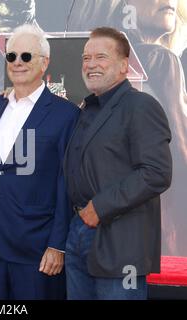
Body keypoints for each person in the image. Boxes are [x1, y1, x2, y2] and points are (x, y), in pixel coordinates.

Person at [64, 0, 187, 257]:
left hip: (90, 230)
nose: (169, 1)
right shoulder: (160, 60)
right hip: (149, 232)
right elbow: (179, 158)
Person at [64, 27, 172, 300]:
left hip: (120, 243)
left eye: (100, 57)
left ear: (125, 65)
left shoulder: (141, 106)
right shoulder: (86, 110)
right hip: (78, 235)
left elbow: (156, 173)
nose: (90, 64)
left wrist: (99, 208)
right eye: (86, 58)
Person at [0, 24, 79, 300]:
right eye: (11, 56)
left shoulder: (65, 114)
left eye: (26, 56)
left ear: (44, 62)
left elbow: (66, 183)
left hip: (38, 247)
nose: (17, 63)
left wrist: (57, 245)